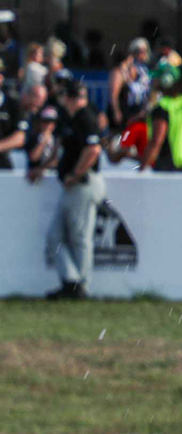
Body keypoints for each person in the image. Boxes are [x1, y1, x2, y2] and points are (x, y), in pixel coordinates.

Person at [42, 79, 104, 299]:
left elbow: (93, 150)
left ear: (68, 97)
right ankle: (71, 281)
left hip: (82, 184)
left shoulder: (85, 117)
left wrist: (75, 174)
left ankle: (81, 286)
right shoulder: (71, 119)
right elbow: (62, 150)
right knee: (55, 236)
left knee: (80, 237)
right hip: (72, 185)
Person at [141, 61, 182, 172]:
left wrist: (142, 168)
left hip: (168, 164)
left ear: (165, 81)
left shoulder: (163, 107)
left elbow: (156, 141)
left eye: (156, 79)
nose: (153, 82)